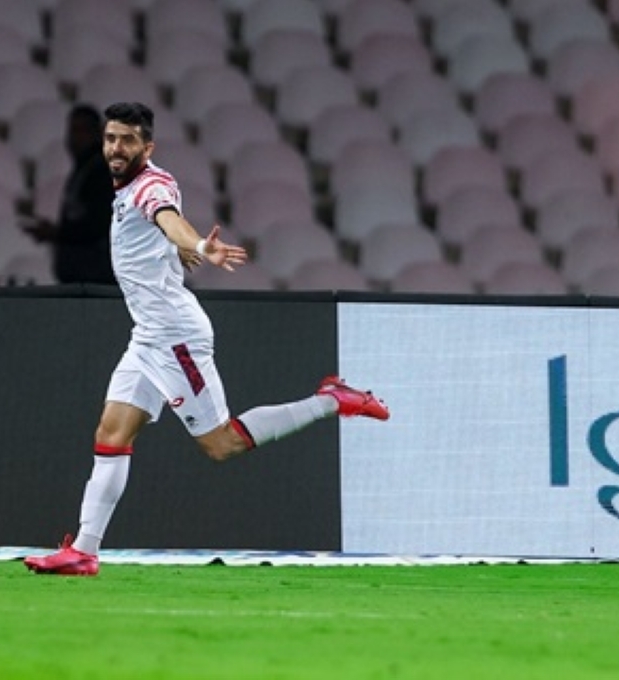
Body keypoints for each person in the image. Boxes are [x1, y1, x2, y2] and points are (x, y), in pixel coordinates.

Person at [24, 102, 389, 576]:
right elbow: (160, 231)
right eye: (111, 138)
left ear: (147, 147)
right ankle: (84, 551)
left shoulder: (150, 186)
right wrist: (176, 249)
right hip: (148, 337)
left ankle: (331, 400)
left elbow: (168, 218)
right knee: (111, 435)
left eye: (127, 140)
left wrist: (195, 244)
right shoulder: (132, 185)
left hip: (175, 337)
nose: (116, 148)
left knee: (221, 444)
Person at [22, 104, 117, 285]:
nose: (73, 139)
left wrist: (57, 233)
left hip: (95, 279)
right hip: (81, 278)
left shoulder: (102, 172)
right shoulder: (85, 169)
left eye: (81, 131)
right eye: (72, 131)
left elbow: (96, 225)